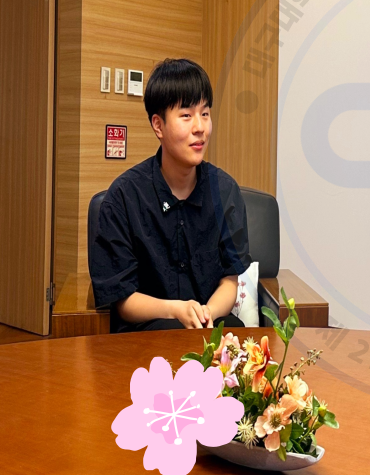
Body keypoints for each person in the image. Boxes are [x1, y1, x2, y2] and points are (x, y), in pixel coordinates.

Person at [90, 58, 251, 332]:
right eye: (186, 115)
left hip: (208, 328)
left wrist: (206, 313)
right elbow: (122, 299)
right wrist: (175, 310)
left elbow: (230, 280)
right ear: (158, 125)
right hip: (147, 332)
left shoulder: (225, 192)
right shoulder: (124, 198)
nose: (200, 127)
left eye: (205, 113)